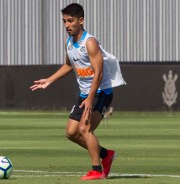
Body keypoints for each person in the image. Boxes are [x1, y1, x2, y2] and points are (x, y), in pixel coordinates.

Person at [30, 3, 126, 180]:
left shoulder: (90, 43)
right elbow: (68, 65)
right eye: (64, 21)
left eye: (70, 21)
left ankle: (97, 170)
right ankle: (106, 155)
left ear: (81, 20)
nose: (66, 25)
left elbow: (99, 72)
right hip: (85, 94)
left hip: (101, 92)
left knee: (84, 128)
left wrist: (90, 99)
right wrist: (49, 80)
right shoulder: (69, 42)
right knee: (71, 133)